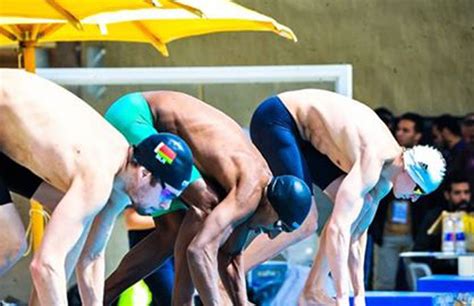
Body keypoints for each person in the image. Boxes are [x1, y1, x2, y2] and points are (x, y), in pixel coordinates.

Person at [0, 69, 193, 305]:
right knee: (10, 242)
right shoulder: (99, 177)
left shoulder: (121, 179)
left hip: (6, 138)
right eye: (166, 194)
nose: (164, 205)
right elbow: (45, 265)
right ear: (144, 174)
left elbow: (91, 256)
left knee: (69, 216)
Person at [102, 91, 313, 306]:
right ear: (270, 204)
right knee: (207, 204)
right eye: (278, 225)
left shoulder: (256, 202)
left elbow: (229, 258)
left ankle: (99, 298)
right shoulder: (250, 191)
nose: (271, 234)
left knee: (171, 232)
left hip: (144, 124)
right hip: (136, 116)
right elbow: (199, 250)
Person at [245, 89, 446, 306]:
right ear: (410, 172)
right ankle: (230, 275)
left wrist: (359, 296)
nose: (414, 198)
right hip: (278, 118)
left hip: (305, 137)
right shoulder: (374, 160)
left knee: (357, 210)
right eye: (418, 191)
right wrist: (342, 298)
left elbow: (357, 235)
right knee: (306, 222)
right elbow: (337, 230)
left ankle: (312, 290)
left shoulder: (383, 182)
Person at [370, 112, 425, 290]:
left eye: (406, 130)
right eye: (398, 129)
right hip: (387, 232)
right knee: (383, 283)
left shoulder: (426, 162)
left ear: (417, 135)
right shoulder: (387, 156)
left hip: (415, 232)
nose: (399, 133)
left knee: (416, 283)